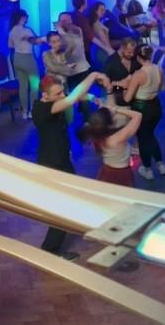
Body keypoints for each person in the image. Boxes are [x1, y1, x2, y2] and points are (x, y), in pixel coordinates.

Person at [33, 72, 109, 258]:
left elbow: (72, 97)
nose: (62, 96)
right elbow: (72, 97)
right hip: (52, 164)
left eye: (62, 92)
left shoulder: (50, 102)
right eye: (57, 94)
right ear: (45, 95)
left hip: (60, 159)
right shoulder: (41, 109)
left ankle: (81, 224)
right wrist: (94, 75)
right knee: (62, 208)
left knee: (74, 196)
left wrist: (91, 97)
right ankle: (50, 250)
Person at [119, 43, 165, 179]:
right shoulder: (158, 69)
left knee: (143, 139)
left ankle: (147, 169)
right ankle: (161, 164)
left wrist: (125, 86)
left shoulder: (139, 74)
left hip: (142, 108)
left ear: (138, 58)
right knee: (150, 135)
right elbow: (162, 87)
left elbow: (127, 98)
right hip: (156, 106)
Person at [80, 96, 143, 186]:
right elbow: (138, 116)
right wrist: (116, 109)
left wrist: (105, 109)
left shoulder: (96, 133)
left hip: (106, 170)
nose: (115, 116)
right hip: (121, 173)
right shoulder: (117, 137)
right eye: (113, 116)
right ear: (109, 123)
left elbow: (99, 119)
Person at [7, 9, 41, 121]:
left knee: (23, 86)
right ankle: (32, 110)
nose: (27, 18)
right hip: (28, 59)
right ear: (22, 18)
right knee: (35, 85)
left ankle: (24, 112)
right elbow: (37, 41)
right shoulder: (27, 30)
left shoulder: (12, 31)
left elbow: (10, 46)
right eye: (26, 16)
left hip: (17, 59)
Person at [89, 2, 115, 67]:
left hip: (99, 50)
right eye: (101, 10)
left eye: (104, 10)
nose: (103, 11)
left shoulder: (98, 22)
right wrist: (113, 53)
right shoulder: (96, 25)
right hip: (100, 52)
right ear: (95, 11)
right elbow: (105, 43)